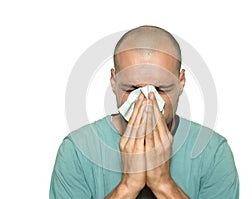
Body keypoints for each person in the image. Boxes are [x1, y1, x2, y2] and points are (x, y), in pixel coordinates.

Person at [50, 25, 239, 199]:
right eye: (132, 90)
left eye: (161, 90)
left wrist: (164, 184)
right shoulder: (76, 150)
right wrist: (128, 186)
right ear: (114, 82)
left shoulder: (213, 151)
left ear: (181, 82)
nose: (147, 101)